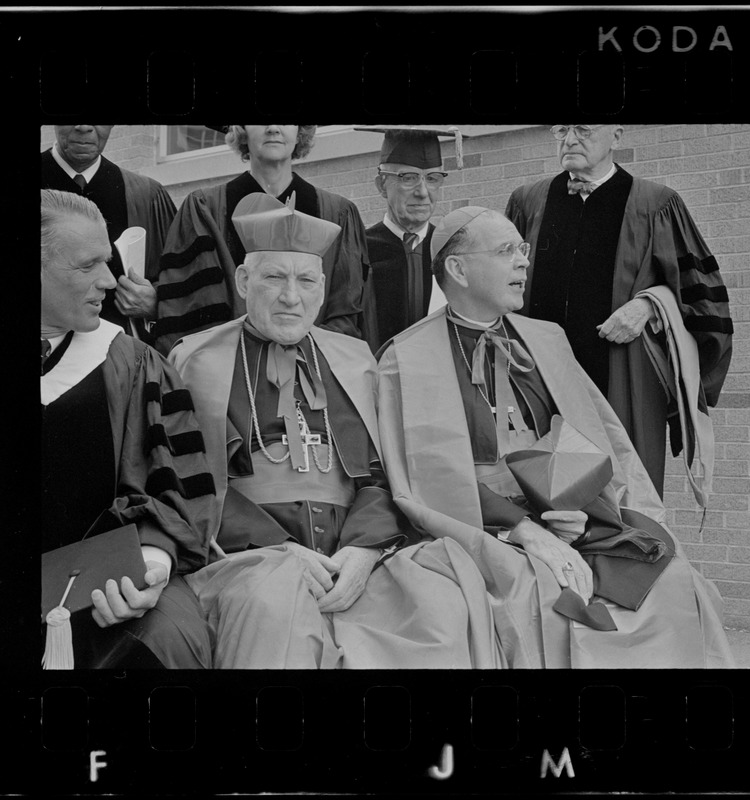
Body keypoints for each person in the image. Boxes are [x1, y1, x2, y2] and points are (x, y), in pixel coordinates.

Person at [376, 206, 735, 668]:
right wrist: (524, 529)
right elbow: (425, 482)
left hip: (569, 513)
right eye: (506, 251)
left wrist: (583, 510)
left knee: (671, 579)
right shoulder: (406, 358)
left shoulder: (546, 339)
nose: (524, 262)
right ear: (457, 269)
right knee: (545, 593)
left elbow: (598, 437)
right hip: (477, 527)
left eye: (522, 249)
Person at [168, 192, 503, 669]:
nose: (291, 296)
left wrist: (363, 551)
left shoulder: (354, 359)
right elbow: (190, 482)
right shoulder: (194, 359)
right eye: (274, 278)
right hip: (250, 555)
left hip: (355, 550)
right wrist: (281, 550)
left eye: (306, 280)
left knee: (437, 603)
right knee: (276, 606)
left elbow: (386, 474)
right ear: (244, 281)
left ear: (323, 288)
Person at [506, 125, 733, 498]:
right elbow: (502, 282)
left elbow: (700, 299)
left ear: (616, 136)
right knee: (537, 493)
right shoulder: (528, 201)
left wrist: (649, 304)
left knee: (624, 499)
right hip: (536, 381)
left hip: (623, 382)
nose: (570, 139)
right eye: (561, 129)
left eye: (583, 129)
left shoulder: (656, 204)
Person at [41, 189, 215, 668]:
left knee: (168, 638)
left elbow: (172, 484)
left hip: (108, 578)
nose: (110, 280)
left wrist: (153, 563)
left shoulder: (132, 363)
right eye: (87, 266)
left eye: (109, 260)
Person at [153, 125, 368, 356]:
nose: (273, 127)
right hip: (226, 371)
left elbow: (345, 314)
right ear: (242, 129)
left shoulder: (339, 213)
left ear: (300, 130)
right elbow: (191, 311)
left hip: (313, 374)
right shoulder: (204, 208)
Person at [41, 125, 178, 344]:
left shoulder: (146, 195)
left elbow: (178, 280)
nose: (84, 126)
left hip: (120, 358)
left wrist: (157, 303)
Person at [354, 126, 465, 352]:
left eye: (432, 178)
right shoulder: (359, 250)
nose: (423, 192)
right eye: (408, 178)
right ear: (382, 185)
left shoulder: (453, 249)